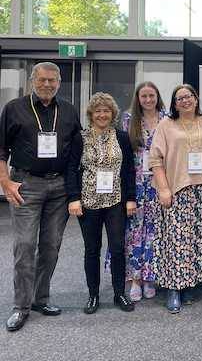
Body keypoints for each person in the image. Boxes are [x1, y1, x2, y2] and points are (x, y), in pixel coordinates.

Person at [0, 62, 82, 332]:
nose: (47, 85)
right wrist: (5, 181)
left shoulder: (68, 111)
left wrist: (73, 191)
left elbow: (74, 155)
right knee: (24, 246)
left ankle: (41, 298)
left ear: (59, 82)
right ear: (33, 80)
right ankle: (20, 306)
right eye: (43, 80)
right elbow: (1, 150)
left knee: (51, 246)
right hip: (26, 185)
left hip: (58, 188)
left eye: (53, 80)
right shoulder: (15, 108)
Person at [149, 84, 202, 313]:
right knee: (177, 241)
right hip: (178, 189)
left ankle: (189, 283)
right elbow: (156, 160)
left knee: (199, 239)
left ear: (196, 99)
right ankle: (173, 288)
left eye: (188, 96)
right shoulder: (166, 125)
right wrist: (163, 189)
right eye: (180, 98)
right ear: (174, 103)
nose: (185, 101)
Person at [66, 92, 137, 314]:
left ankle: (119, 294)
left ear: (112, 113)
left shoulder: (122, 137)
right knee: (91, 250)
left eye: (106, 110)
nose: (102, 114)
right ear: (91, 114)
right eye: (98, 111)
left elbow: (129, 170)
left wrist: (131, 198)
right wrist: (73, 198)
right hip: (88, 202)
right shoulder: (81, 137)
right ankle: (93, 295)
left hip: (116, 201)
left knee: (117, 248)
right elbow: (71, 169)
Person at [121, 82, 166, 301]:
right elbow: (124, 155)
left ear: (157, 96)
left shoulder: (167, 118)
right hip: (137, 182)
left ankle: (150, 277)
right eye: (144, 96)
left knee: (155, 231)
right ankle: (135, 279)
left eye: (151, 95)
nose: (148, 100)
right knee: (135, 232)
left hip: (159, 181)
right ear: (138, 99)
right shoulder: (129, 119)